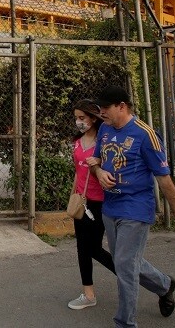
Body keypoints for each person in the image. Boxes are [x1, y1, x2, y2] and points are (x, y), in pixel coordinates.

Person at [88, 85, 175, 328]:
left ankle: (125, 323)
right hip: (111, 208)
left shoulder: (145, 134)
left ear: (122, 106)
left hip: (136, 208)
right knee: (124, 261)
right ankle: (164, 285)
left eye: (105, 107)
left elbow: (164, 179)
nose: (101, 112)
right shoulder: (104, 129)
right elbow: (96, 162)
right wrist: (99, 171)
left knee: (125, 265)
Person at [67, 99, 116, 310]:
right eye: (76, 118)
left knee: (93, 248)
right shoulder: (77, 142)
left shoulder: (104, 142)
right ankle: (88, 293)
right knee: (82, 248)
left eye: (82, 118)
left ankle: (131, 275)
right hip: (81, 201)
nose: (78, 122)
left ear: (93, 118)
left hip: (99, 203)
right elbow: (77, 172)